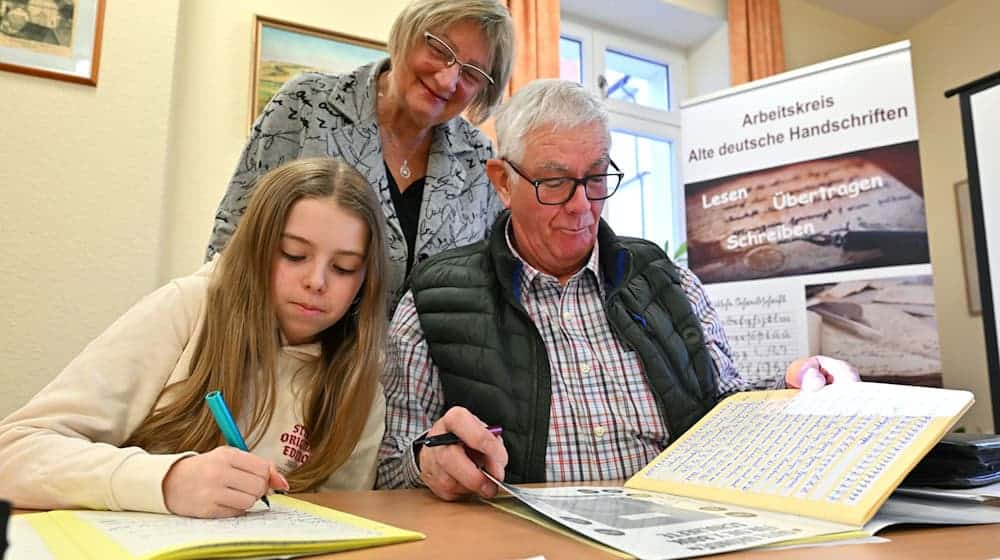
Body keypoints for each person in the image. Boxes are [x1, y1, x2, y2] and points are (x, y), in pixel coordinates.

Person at [376, 79, 860, 501]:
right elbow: (391, 467)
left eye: (596, 178)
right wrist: (427, 461)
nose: (582, 206)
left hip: (676, 530)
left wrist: (792, 387)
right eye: (555, 182)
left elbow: (721, 409)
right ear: (503, 182)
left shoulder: (667, 281)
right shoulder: (434, 302)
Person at [0, 158, 390, 518]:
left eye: (344, 267)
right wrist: (168, 481)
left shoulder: (359, 379)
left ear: (365, 281)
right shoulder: (188, 308)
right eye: (292, 254)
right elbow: (13, 454)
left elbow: (345, 518)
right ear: (257, 247)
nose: (316, 282)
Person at [207, 0, 515, 311]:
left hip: (423, 359)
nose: (448, 80)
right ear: (408, 33)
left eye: (472, 73)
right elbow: (232, 240)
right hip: (288, 351)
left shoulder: (478, 156)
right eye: (439, 49)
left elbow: (487, 285)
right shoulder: (306, 106)